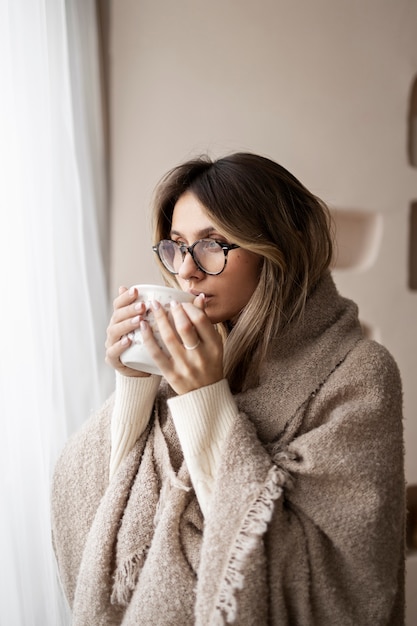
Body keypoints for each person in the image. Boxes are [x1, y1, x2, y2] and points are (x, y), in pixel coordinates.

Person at [51, 152, 405, 625]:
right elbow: (107, 506)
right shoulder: (193, 355)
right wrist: (135, 383)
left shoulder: (359, 373)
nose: (188, 271)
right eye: (177, 246)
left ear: (278, 247)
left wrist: (206, 398)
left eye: (214, 245)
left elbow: (333, 580)